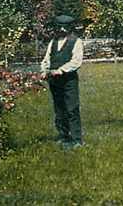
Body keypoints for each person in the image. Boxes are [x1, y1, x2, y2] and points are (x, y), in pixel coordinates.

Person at [41, 14, 84, 149]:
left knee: (72, 108)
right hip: (54, 81)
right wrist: (44, 70)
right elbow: (46, 59)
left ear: (69, 28)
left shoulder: (76, 42)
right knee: (59, 109)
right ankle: (63, 136)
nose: (61, 30)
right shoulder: (52, 42)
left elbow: (76, 61)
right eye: (59, 28)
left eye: (64, 28)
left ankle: (77, 139)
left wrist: (62, 70)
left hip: (68, 80)